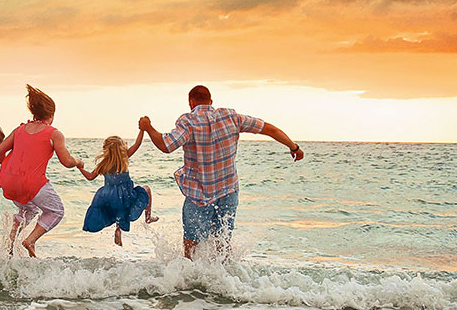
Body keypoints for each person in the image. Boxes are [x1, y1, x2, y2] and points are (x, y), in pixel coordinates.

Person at [139, 85, 304, 259]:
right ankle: (226, 275)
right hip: (228, 191)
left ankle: (191, 276)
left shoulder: (188, 122)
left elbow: (166, 145)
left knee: (191, 249)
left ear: (191, 102)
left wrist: (148, 127)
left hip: (199, 196)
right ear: (211, 101)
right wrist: (294, 147)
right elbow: (271, 130)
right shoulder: (231, 117)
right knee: (222, 244)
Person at [0, 84, 83, 257]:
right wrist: (78, 162)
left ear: (34, 113)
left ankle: (10, 243)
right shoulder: (54, 133)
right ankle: (30, 240)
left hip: (8, 180)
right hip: (31, 182)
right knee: (56, 211)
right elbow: (66, 161)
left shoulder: (19, 130)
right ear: (51, 114)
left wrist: (9, 169)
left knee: (28, 210)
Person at [78, 131, 159, 246]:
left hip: (107, 196)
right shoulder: (124, 158)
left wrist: (80, 168)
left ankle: (118, 230)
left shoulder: (104, 163)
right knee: (146, 190)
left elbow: (90, 177)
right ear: (121, 148)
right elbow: (137, 143)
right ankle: (147, 218)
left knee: (117, 208)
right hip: (124, 195)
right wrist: (142, 130)